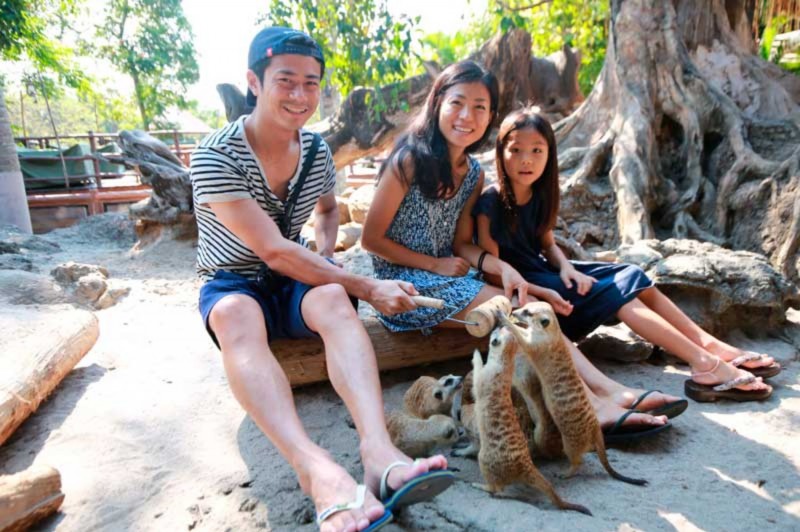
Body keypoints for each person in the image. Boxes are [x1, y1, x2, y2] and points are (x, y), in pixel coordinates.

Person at [191, 27, 453, 532]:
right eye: (285, 80)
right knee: (234, 314)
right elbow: (269, 249)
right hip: (234, 279)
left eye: (311, 83)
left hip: (294, 277)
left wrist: (328, 255)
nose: (299, 94)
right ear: (254, 81)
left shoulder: (315, 152)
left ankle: (379, 452)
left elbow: (328, 209)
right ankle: (315, 470)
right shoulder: (214, 155)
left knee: (332, 294)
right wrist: (370, 286)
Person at [362, 61, 672, 440]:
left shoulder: (473, 174)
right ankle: (591, 406)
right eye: (458, 103)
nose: (467, 116)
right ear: (438, 102)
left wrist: (504, 270)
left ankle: (606, 390)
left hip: (453, 273)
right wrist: (434, 264)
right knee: (515, 314)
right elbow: (371, 241)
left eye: (480, 107)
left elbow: (462, 243)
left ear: (491, 115)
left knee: (533, 308)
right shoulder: (409, 160)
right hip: (404, 284)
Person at [473, 107, 779, 404]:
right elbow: (493, 272)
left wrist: (568, 269)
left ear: (550, 154)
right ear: (500, 152)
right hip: (528, 290)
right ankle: (703, 363)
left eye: (537, 150)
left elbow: (547, 243)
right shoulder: (491, 201)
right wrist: (545, 289)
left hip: (549, 273)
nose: (526, 160)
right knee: (618, 295)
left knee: (631, 275)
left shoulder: (541, 194)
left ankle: (710, 346)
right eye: (516, 150)